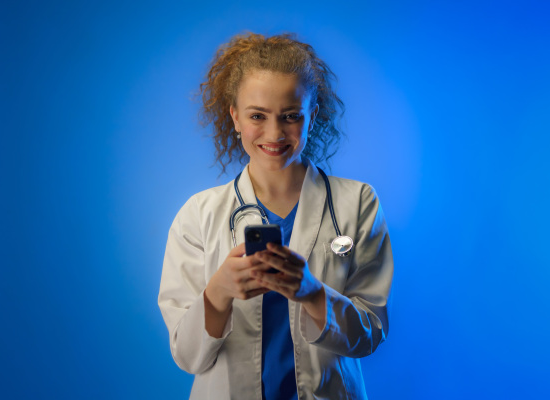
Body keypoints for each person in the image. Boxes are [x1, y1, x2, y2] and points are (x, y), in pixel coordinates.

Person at [158, 32, 394, 400]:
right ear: (234, 116)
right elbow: (187, 356)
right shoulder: (198, 215)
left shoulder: (358, 202)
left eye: (290, 116)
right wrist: (219, 291)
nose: (274, 133)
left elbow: (370, 334)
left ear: (312, 116)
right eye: (257, 116)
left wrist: (313, 293)